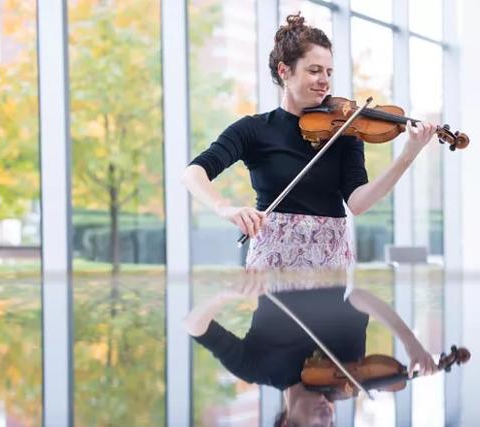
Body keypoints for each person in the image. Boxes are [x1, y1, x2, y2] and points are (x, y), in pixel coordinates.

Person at [181, 13, 436, 269]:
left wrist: (407, 156)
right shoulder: (254, 129)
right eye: (314, 70)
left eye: (328, 72)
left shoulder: (345, 131)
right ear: (284, 70)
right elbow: (193, 173)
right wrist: (226, 209)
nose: (324, 80)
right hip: (273, 266)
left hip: (332, 265)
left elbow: (358, 203)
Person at [182, 271, 439, 427]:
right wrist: (411, 344)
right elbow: (358, 298)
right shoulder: (345, 369)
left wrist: (227, 295)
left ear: (286, 426)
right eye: (331, 426)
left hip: (277, 250)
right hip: (329, 246)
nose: (327, 417)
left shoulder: (255, 369)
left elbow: (193, 325)